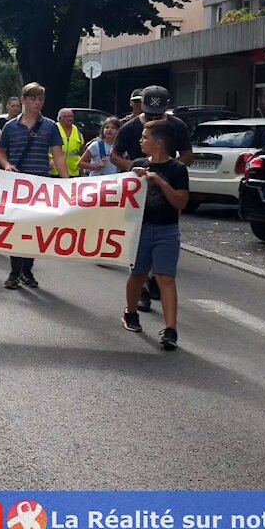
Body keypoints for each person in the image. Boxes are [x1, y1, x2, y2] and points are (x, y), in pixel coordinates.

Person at [109, 85, 193, 312]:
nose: (153, 117)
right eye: (149, 113)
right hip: (137, 193)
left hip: (165, 191)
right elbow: (114, 155)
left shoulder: (177, 126)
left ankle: (157, 276)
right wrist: (136, 170)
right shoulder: (129, 127)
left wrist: (171, 170)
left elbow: (187, 154)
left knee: (163, 232)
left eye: (158, 114)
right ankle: (143, 289)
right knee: (139, 241)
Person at [0, 82, 70, 290]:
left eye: (41, 99)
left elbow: (58, 156)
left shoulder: (50, 127)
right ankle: (14, 271)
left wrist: (68, 184)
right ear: (24, 101)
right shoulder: (11, 127)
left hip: (40, 185)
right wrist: (6, 165)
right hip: (17, 184)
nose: (38, 103)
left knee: (35, 229)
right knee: (16, 227)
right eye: (33, 99)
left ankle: (27, 270)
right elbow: (0, 151)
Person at [121, 120, 188, 350]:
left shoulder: (177, 170)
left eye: (145, 137)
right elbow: (122, 195)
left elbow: (181, 202)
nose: (141, 141)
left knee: (165, 277)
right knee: (138, 275)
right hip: (141, 230)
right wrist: (133, 177)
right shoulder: (138, 164)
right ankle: (130, 313)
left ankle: (171, 329)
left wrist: (159, 182)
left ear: (158, 143)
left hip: (166, 230)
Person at [51, 108, 85, 177]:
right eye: (67, 117)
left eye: (71, 116)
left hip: (73, 172)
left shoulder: (77, 132)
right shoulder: (52, 129)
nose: (70, 118)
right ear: (59, 118)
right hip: (55, 172)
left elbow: (82, 151)